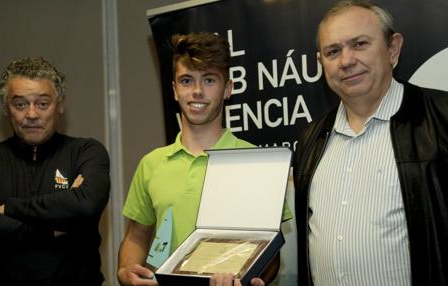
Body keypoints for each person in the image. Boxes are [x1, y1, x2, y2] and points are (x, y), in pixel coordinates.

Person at [117, 32, 291, 286]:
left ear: (228, 88)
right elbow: (136, 237)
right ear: (175, 90)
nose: (197, 91)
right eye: (187, 81)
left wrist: (250, 279)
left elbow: (270, 252)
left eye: (209, 80)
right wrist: (125, 272)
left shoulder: (257, 163)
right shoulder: (151, 164)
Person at [293, 1, 448, 285]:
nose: (346, 60)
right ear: (321, 63)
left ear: (393, 49)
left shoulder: (442, 118)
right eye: (333, 51)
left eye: (360, 44)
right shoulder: (311, 139)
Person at [0, 57, 111, 286]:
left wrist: (9, 209)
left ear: (60, 104)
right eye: (21, 104)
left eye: (43, 103)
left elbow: (85, 204)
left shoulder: (85, 152)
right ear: (6, 107)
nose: (32, 114)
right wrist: (50, 228)